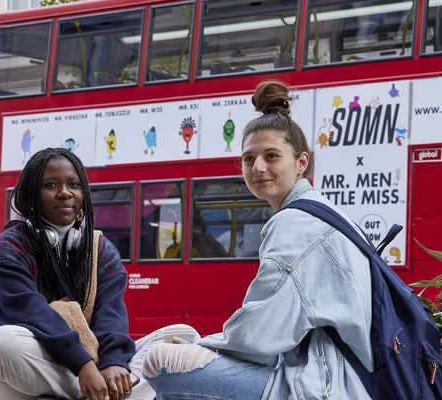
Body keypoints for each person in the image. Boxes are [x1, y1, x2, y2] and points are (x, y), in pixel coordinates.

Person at [142, 81, 374, 400]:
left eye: (272, 156)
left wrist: (203, 347)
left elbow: (261, 331)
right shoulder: (322, 211)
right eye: (249, 158)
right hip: (344, 377)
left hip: (326, 385)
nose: (258, 168)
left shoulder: (295, 221)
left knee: (162, 362)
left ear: (301, 162)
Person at [0, 148, 188, 400]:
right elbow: (31, 311)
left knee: (182, 335)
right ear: (32, 194)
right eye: (51, 184)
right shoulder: (8, 246)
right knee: (1, 342)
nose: (65, 192)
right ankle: (106, 393)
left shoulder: (100, 249)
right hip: (34, 366)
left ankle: (104, 389)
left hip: (88, 364)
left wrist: (114, 363)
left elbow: (110, 313)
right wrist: (83, 366)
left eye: (74, 184)